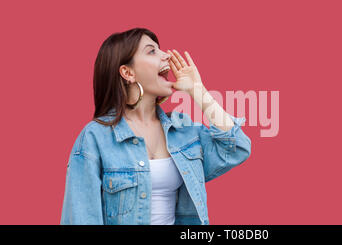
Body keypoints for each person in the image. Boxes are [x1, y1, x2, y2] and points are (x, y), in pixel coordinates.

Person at [60, 27, 251, 225]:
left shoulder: (183, 131)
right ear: (128, 72)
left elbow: (237, 147)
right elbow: (81, 218)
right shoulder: (95, 138)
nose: (166, 55)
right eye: (151, 51)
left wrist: (198, 91)